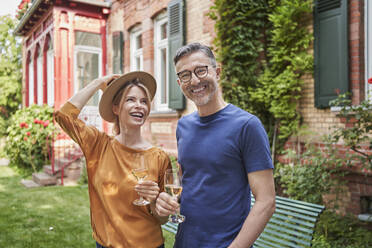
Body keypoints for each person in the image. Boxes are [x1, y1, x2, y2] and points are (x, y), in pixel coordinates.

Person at [155, 43, 276, 248]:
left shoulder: (247, 125)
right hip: (184, 242)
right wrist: (167, 201)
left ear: (217, 72)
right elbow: (188, 183)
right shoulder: (183, 126)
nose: (194, 81)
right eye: (185, 75)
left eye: (201, 70)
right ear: (179, 82)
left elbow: (266, 201)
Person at [55, 71, 171, 248]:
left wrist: (155, 201)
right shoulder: (98, 145)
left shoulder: (159, 157)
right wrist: (98, 82)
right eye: (130, 100)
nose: (139, 105)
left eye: (144, 101)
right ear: (116, 108)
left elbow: (162, 218)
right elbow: (64, 115)